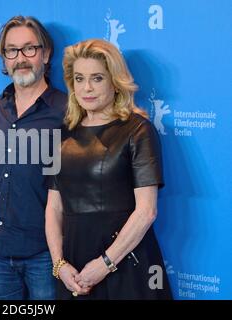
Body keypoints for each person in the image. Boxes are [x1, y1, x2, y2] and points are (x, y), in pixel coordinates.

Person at [45, 39, 172, 299]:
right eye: (79, 79)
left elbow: (146, 211)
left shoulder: (138, 130)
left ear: (115, 82)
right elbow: (53, 207)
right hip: (73, 269)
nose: (87, 88)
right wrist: (59, 265)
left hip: (127, 262)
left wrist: (105, 263)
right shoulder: (61, 134)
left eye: (97, 78)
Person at [0, 16, 67, 300]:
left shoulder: (66, 109)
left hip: (46, 253)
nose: (20, 59)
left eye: (29, 49)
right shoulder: (0, 105)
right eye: (11, 51)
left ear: (46, 53)